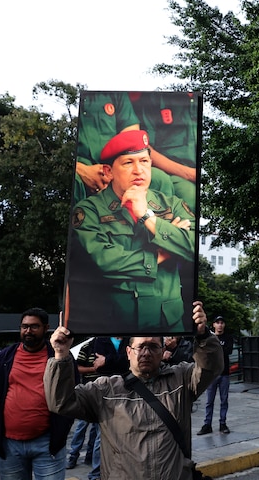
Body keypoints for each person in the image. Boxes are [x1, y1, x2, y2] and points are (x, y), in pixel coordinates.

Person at [44, 301, 223, 480]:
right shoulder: (105, 390)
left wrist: (204, 335)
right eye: (140, 347)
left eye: (153, 347)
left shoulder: (181, 379)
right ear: (129, 352)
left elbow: (211, 367)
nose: (146, 353)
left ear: (162, 352)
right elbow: (61, 402)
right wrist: (60, 356)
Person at [67, 128, 196, 334]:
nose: (139, 170)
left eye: (144, 161)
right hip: (117, 327)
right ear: (108, 171)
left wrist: (147, 215)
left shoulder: (172, 204)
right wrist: (165, 252)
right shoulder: (88, 211)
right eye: (129, 163)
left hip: (169, 324)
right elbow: (105, 262)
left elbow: (194, 246)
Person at [0, 308, 75, 480]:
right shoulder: (5, 357)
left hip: (48, 444)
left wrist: (62, 430)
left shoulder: (59, 356)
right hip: (9, 445)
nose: (28, 331)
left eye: (34, 326)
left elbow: (71, 392)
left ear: (46, 328)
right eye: (24, 326)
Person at [65, 339, 99, 471]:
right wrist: (95, 369)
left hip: (102, 394)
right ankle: (73, 455)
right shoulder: (87, 347)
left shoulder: (108, 345)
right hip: (87, 393)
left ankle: (89, 456)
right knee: (81, 426)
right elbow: (78, 368)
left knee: (97, 429)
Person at [198, 315, 234, 435]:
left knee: (224, 400)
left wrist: (215, 350)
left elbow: (228, 351)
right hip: (211, 374)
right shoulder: (210, 337)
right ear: (214, 325)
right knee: (209, 401)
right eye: (217, 323)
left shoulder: (228, 337)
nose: (220, 325)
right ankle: (207, 424)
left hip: (224, 373)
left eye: (222, 323)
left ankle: (222, 423)